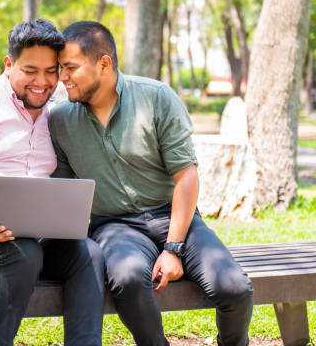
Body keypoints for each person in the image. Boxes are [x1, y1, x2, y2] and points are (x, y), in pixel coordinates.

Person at [48, 21, 253, 346]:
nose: (62, 77)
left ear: (104, 63)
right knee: (128, 278)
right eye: (61, 68)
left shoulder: (156, 98)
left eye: (70, 67)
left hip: (172, 216)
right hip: (113, 227)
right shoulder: (59, 121)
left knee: (234, 288)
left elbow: (186, 175)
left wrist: (173, 248)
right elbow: (63, 191)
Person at [0, 18, 105, 346]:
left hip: (34, 231)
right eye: (30, 70)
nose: (42, 82)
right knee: (22, 254)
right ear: (8, 64)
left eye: (51, 71)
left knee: (91, 255)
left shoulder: (59, 113)